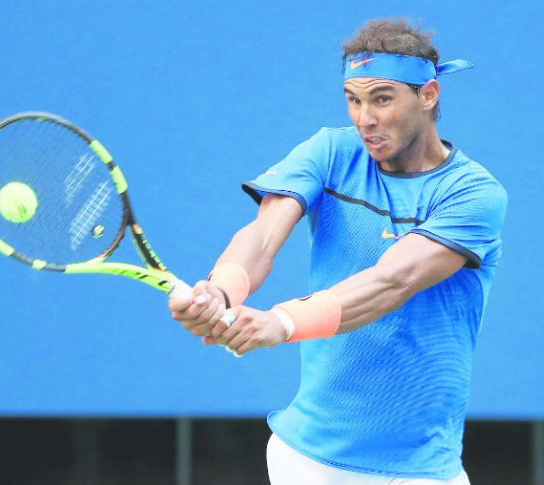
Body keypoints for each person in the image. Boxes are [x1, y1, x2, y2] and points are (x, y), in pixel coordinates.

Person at [168, 18, 507, 485]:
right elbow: (264, 234)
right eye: (353, 99)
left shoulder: (474, 194)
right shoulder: (330, 151)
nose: (364, 118)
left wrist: (282, 322)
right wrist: (221, 291)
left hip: (419, 471)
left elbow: (392, 282)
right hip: (305, 461)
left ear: (428, 95)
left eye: (382, 98)